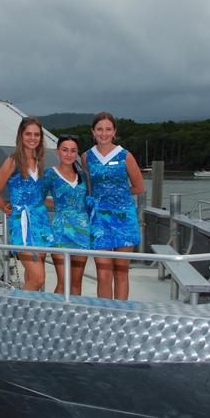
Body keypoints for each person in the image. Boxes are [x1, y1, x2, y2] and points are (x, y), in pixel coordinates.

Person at [82, 112, 144, 300]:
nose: (104, 133)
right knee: (103, 273)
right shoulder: (86, 157)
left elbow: (139, 186)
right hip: (99, 220)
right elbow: (89, 189)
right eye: (99, 129)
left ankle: (121, 316)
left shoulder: (126, 156)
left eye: (108, 129)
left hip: (124, 218)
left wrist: (117, 197)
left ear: (114, 131)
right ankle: (105, 316)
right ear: (93, 132)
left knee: (121, 271)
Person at [0, 116, 53, 291]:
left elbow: (37, 196)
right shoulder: (12, 161)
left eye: (37, 135)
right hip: (22, 224)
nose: (33, 138)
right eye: (28, 134)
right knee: (39, 278)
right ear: (21, 136)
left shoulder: (39, 162)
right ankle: (13, 312)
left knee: (31, 276)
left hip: (40, 222)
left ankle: (29, 315)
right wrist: (6, 208)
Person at [43, 135, 89, 295]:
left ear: (77, 153)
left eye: (73, 151)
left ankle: (75, 318)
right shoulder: (50, 174)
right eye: (65, 150)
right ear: (58, 152)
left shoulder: (83, 176)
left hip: (82, 232)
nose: (69, 154)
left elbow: (89, 200)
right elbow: (38, 200)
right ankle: (54, 318)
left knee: (76, 283)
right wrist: (62, 207)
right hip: (61, 232)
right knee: (63, 283)